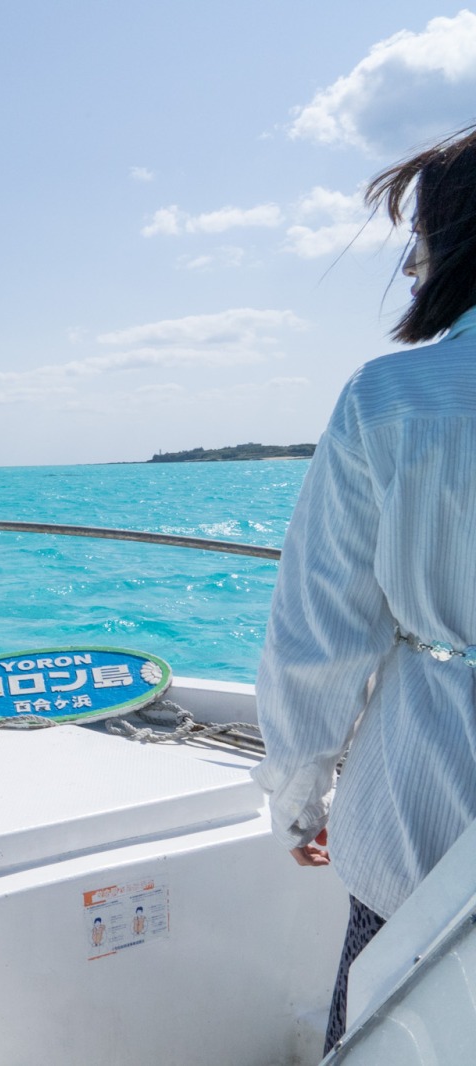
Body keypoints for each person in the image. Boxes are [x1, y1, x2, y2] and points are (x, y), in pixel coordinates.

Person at [254, 121, 476, 1055]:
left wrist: (300, 792)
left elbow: (323, 629)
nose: (413, 263)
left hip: (423, 818)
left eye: (418, 239)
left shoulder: (395, 398)